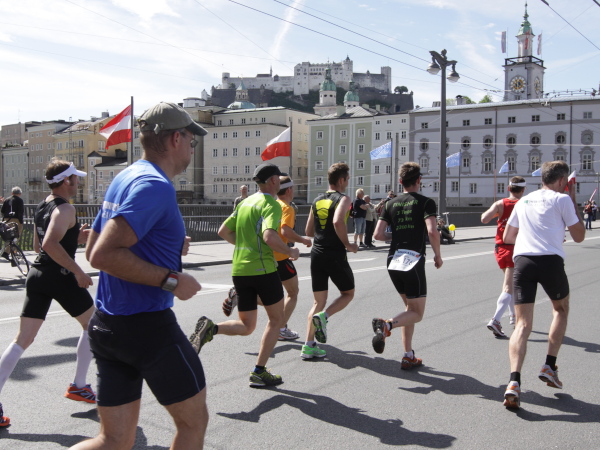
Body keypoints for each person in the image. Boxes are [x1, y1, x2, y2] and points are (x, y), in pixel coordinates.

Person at [74, 102, 207, 449]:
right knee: (193, 424)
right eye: (192, 141)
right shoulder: (155, 186)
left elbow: (93, 248)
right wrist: (173, 280)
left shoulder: (126, 176)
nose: (192, 148)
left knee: (114, 440)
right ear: (176, 139)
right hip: (147, 329)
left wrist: (166, 246)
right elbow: (102, 255)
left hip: (108, 325)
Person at [0, 161, 95, 428]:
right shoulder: (66, 208)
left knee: (22, 340)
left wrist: (74, 237)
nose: (78, 182)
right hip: (59, 276)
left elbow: (37, 245)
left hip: (38, 274)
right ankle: (79, 385)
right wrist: (78, 271)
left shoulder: (44, 205)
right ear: (66, 181)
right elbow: (51, 244)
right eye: (76, 178)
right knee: (94, 325)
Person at [190, 163, 300, 387]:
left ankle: (212, 328)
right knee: (276, 320)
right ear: (273, 181)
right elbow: (269, 237)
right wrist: (290, 251)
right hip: (263, 269)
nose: (279, 183)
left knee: (247, 325)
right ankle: (259, 371)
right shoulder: (271, 204)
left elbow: (223, 231)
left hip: (240, 270)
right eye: (278, 179)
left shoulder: (245, 203)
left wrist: (247, 246)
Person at [502, 161, 585, 409]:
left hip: (523, 261)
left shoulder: (524, 201)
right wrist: (573, 201)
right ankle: (549, 366)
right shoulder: (563, 199)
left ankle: (513, 382)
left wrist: (532, 234)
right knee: (560, 309)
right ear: (561, 181)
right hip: (550, 261)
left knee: (522, 324)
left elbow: (508, 237)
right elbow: (579, 236)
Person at [370, 162, 443, 370]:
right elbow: (432, 231)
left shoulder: (390, 203)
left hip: (393, 260)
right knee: (417, 313)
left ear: (400, 181)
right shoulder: (426, 202)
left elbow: (377, 235)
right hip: (413, 260)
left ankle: (408, 355)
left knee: (409, 309)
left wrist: (396, 236)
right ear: (419, 180)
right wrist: (438, 255)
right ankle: (386, 325)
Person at [302, 163, 358, 360]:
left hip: (317, 254)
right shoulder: (344, 198)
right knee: (348, 293)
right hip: (334, 254)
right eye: (347, 179)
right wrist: (348, 244)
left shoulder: (317, 200)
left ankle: (309, 346)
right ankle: (323, 317)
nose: (347, 183)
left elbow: (308, 231)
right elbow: (337, 221)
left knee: (318, 301)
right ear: (341, 180)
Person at [481, 176, 526, 338]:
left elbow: (484, 218)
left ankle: (513, 316)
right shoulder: (524, 204)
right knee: (508, 286)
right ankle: (496, 320)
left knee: (511, 284)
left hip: (500, 248)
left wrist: (500, 214)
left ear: (508, 188)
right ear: (523, 189)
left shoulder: (500, 203)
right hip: (516, 248)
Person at [273, 174, 312, 341]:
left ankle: (243, 296)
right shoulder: (287, 208)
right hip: (281, 257)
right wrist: (303, 240)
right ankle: (281, 328)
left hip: (268, 255)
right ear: (289, 190)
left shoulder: (273, 205)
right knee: (293, 292)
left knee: (273, 295)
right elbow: (286, 231)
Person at [1, 186, 24, 261]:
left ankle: (13, 251)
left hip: (6, 219)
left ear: (12, 193)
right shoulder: (20, 200)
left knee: (8, 236)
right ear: (19, 193)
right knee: (16, 236)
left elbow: (2, 210)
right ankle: (7, 252)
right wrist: (21, 221)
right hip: (16, 219)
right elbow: (21, 211)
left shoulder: (7, 200)